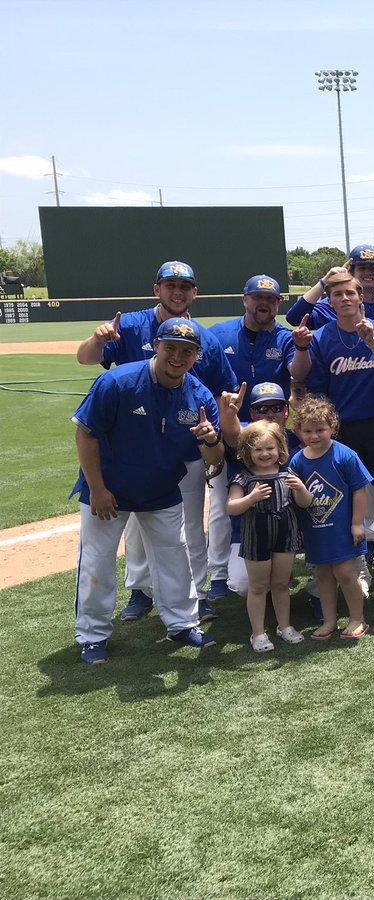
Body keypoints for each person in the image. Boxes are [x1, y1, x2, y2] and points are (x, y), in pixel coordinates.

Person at [75, 260, 237, 621]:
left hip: (183, 443)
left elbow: (220, 391)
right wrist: (97, 340)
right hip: (131, 443)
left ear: (195, 293)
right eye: (170, 286)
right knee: (134, 524)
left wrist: (212, 436)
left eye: (185, 287)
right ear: (157, 290)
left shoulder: (204, 339)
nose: (177, 292)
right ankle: (141, 590)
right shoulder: (130, 325)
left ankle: (192, 594)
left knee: (187, 525)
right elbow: (87, 360)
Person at [71, 317, 225, 665]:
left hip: (160, 489)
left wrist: (211, 439)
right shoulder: (118, 381)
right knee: (97, 560)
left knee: (175, 555)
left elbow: (215, 459)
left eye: (187, 351)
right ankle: (92, 635)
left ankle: (182, 624)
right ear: (155, 346)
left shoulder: (199, 396)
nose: (177, 357)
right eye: (170, 347)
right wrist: (96, 488)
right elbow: (86, 433)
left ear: (196, 355)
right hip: (109, 488)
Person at [291, 271, 374, 600]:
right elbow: (317, 389)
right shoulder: (323, 337)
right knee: (343, 502)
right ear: (329, 300)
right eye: (336, 294)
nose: (344, 299)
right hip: (342, 430)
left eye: (349, 293)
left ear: (360, 297)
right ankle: (358, 564)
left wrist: (371, 341)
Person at [205, 274, 297, 603]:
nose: (264, 303)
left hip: (272, 433)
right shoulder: (218, 334)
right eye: (257, 297)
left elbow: (298, 377)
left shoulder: (286, 338)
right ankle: (217, 573)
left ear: (278, 304)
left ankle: (283, 557)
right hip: (229, 432)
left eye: (271, 299)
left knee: (280, 495)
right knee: (220, 505)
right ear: (244, 299)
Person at [288, 396, 372, 640]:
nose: (314, 436)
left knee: (345, 573)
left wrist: (357, 523)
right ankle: (329, 620)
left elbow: (359, 489)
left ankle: (357, 618)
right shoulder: (297, 461)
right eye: (308, 431)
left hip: (343, 529)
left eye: (320, 430)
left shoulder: (344, 455)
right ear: (299, 431)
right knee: (322, 576)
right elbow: (300, 501)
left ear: (333, 427)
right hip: (316, 530)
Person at [226, 421, 310, 652]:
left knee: (281, 584)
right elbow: (232, 507)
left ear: (280, 449)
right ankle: (258, 633)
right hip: (256, 537)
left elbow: (305, 503)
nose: (265, 454)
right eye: (258, 449)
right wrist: (250, 499)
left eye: (270, 448)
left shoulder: (288, 473)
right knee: (258, 586)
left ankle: (285, 626)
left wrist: (301, 488)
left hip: (285, 536)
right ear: (247, 452)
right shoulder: (243, 478)